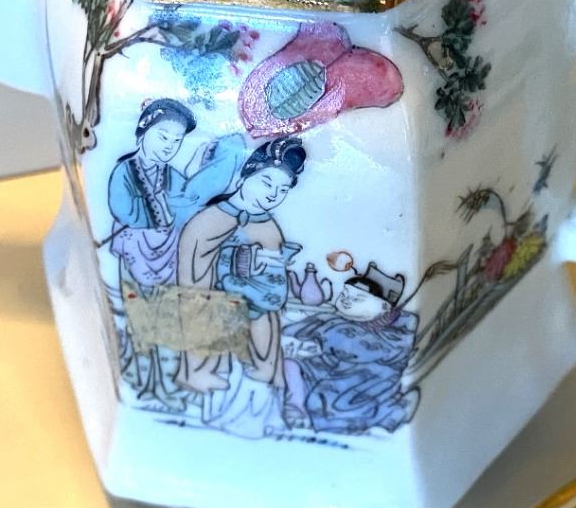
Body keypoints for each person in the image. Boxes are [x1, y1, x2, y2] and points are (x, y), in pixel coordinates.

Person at [106, 98, 242, 405]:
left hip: (167, 254)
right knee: (141, 319)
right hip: (137, 253)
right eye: (163, 136)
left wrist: (198, 176)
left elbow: (187, 201)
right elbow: (122, 208)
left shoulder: (169, 174)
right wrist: (163, 209)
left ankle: (169, 385)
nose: (169, 146)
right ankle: (146, 385)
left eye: (176, 140)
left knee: (166, 317)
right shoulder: (125, 170)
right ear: (143, 132)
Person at [174, 136, 306, 436]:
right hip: (220, 313)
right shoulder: (208, 220)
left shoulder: (267, 224)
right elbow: (194, 278)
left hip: (260, 318)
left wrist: (270, 265)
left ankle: (263, 414)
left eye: (282, 190)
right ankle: (207, 393)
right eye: (266, 183)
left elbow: (274, 278)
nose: (272, 195)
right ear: (247, 174)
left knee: (261, 358)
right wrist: (242, 262)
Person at [290, 266, 419, 435]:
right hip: (324, 367)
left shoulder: (395, 332)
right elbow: (294, 332)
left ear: (384, 307)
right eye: (344, 294)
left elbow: (371, 349)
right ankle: (296, 409)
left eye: (357, 298)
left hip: (363, 377)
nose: (346, 300)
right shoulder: (330, 319)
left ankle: (384, 414)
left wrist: (321, 344)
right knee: (292, 367)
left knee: (340, 399)